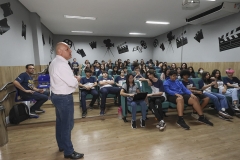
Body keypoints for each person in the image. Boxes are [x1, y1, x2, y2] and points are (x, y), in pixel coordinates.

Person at [49, 42, 84, 159]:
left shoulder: (55, 62)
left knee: (60, 123)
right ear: (60, 51)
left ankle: (62, 145)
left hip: (57, 96)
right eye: (67, 49)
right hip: (63, 98)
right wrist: (77, 79)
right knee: (67, 125)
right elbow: (71, 82)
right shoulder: (61, 64)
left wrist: (72, 80)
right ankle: (69, 151)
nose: (70, 51)